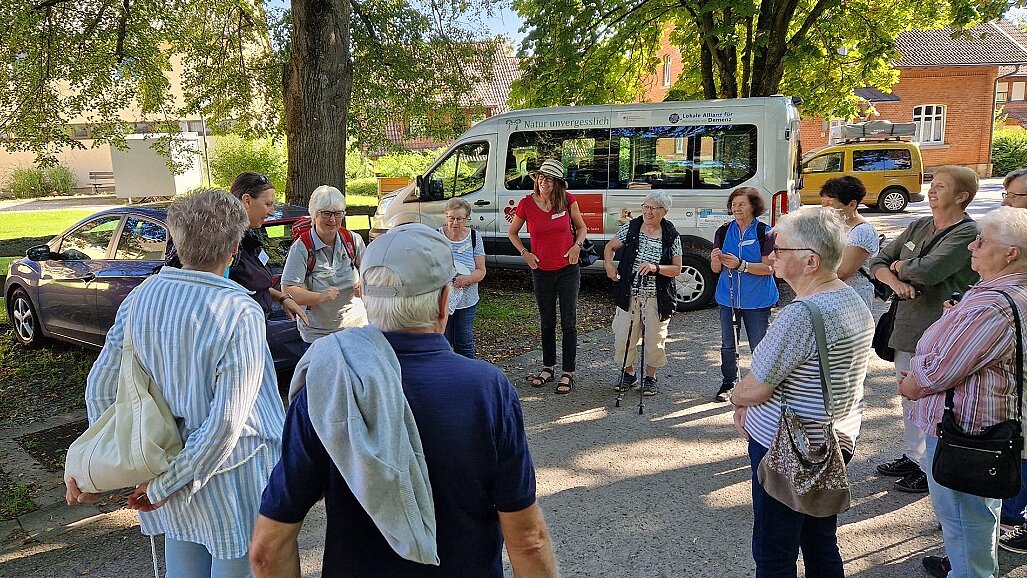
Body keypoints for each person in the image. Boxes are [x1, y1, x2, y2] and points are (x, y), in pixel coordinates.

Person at [250, 223, 558, 577]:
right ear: (444, 302)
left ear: (364, 297)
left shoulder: (329, 383)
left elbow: (267, 549)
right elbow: (528, 540)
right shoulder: (487, 389)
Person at [66, 188, 286, 577]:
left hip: (165, 463)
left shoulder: (140, 298)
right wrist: (166, 484)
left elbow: (101, 385)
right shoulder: (238, 310)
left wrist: (126, 463)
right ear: (235, 247)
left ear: (176, 240)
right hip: (235, 475)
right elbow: (228, 424)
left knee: (183, 568)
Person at [731, 207, 874, 578]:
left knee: (774, 551)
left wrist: (737, 397)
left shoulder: (802, 314)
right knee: (820, 542)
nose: (771, 256)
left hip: (787, 447)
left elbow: (756, 388)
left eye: (779, 249)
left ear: (810, 260)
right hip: (835, 438)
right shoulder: (851, 298)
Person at [898, 207, 1027, 578]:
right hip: (980, 425)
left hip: (966, 432)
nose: (972, 245)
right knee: (975, 515)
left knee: (964, 521)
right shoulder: (1003, 292)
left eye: (982, 241)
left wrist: (913, 382)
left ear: (1011, 253)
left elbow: (939, 371)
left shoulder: (993, 306)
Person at [868, 165, 979, 494]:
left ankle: (929, 466)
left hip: (941, 333)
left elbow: (930, 272)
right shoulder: (918, 225)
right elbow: (878, 260)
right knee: (908, 396)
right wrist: (895, 281)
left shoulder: (967, 234)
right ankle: (914, 456)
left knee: (933, 402)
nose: (932, 191)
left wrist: (901, 267)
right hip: (908, 327)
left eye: (941, 187)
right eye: (933, 185)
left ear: (961, 197)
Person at [507, 158, 588, 394]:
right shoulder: (526, 204)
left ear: (557, 183)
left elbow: (581, 228)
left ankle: (568, 372)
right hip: (541, 270)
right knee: (547, 321)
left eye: (549, 178)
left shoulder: (567, 201)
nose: (544, 181)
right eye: (541, 177)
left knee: (569, 321)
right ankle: (548, 367)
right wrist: (525, 253)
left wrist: (577, 246)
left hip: (567, 270)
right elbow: (512, 233)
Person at [603, 191, 682, 397]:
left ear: (664, 211)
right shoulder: (632, 227)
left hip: (657, 296)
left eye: (653, 208)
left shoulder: (671, 235)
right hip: (629, 293)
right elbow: (610, 247)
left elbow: (676, 269)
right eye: (646, 207)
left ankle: (650, 377)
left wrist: (656, 267)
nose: (648, 211)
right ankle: (628, 374)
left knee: (655, 339)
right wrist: (609, 266)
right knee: (623, 336)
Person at [710, 186, 778, 402]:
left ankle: (761, 384)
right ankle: (728, 383)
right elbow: (715, 269)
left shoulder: (765, 232)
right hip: (727, 298)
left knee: (759, 345)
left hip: (757, 299)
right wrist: (714, 260)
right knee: (728, 344)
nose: (736, 208)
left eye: (742, 204)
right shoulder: (722, 231)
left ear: (753, 207)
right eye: (733, 204)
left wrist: (742, 265)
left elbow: (769, 268)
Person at [280, 185, 367, 345]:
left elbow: (370, 274)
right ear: (314, 216)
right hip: (318, 336)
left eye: (337, 213)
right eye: (326, 214)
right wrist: (320, 297)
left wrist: (363, 284)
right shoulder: (302, 247)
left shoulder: (353, 240)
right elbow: (288, 290)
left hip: (356, 328)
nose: (333, 220)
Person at [819, 176, 880, 309]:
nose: (825, 210)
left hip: (853, 297)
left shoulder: (862, 232)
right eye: (823, 204)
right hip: (831, 294)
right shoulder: (836, 226)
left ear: (852, 205)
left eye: (830, 206)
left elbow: (842, 273)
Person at [439, 198, 486, 358]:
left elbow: (481, 270)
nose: (455, 222)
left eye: (459, 219)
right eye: (451, 218)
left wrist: (464, 281)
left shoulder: (474, 237)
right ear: (446, 217)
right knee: (442, 341)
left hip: (467, 300)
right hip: (441, 299)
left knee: (464, 342)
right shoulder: (437, 236)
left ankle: (468, 377)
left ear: (467, 218)